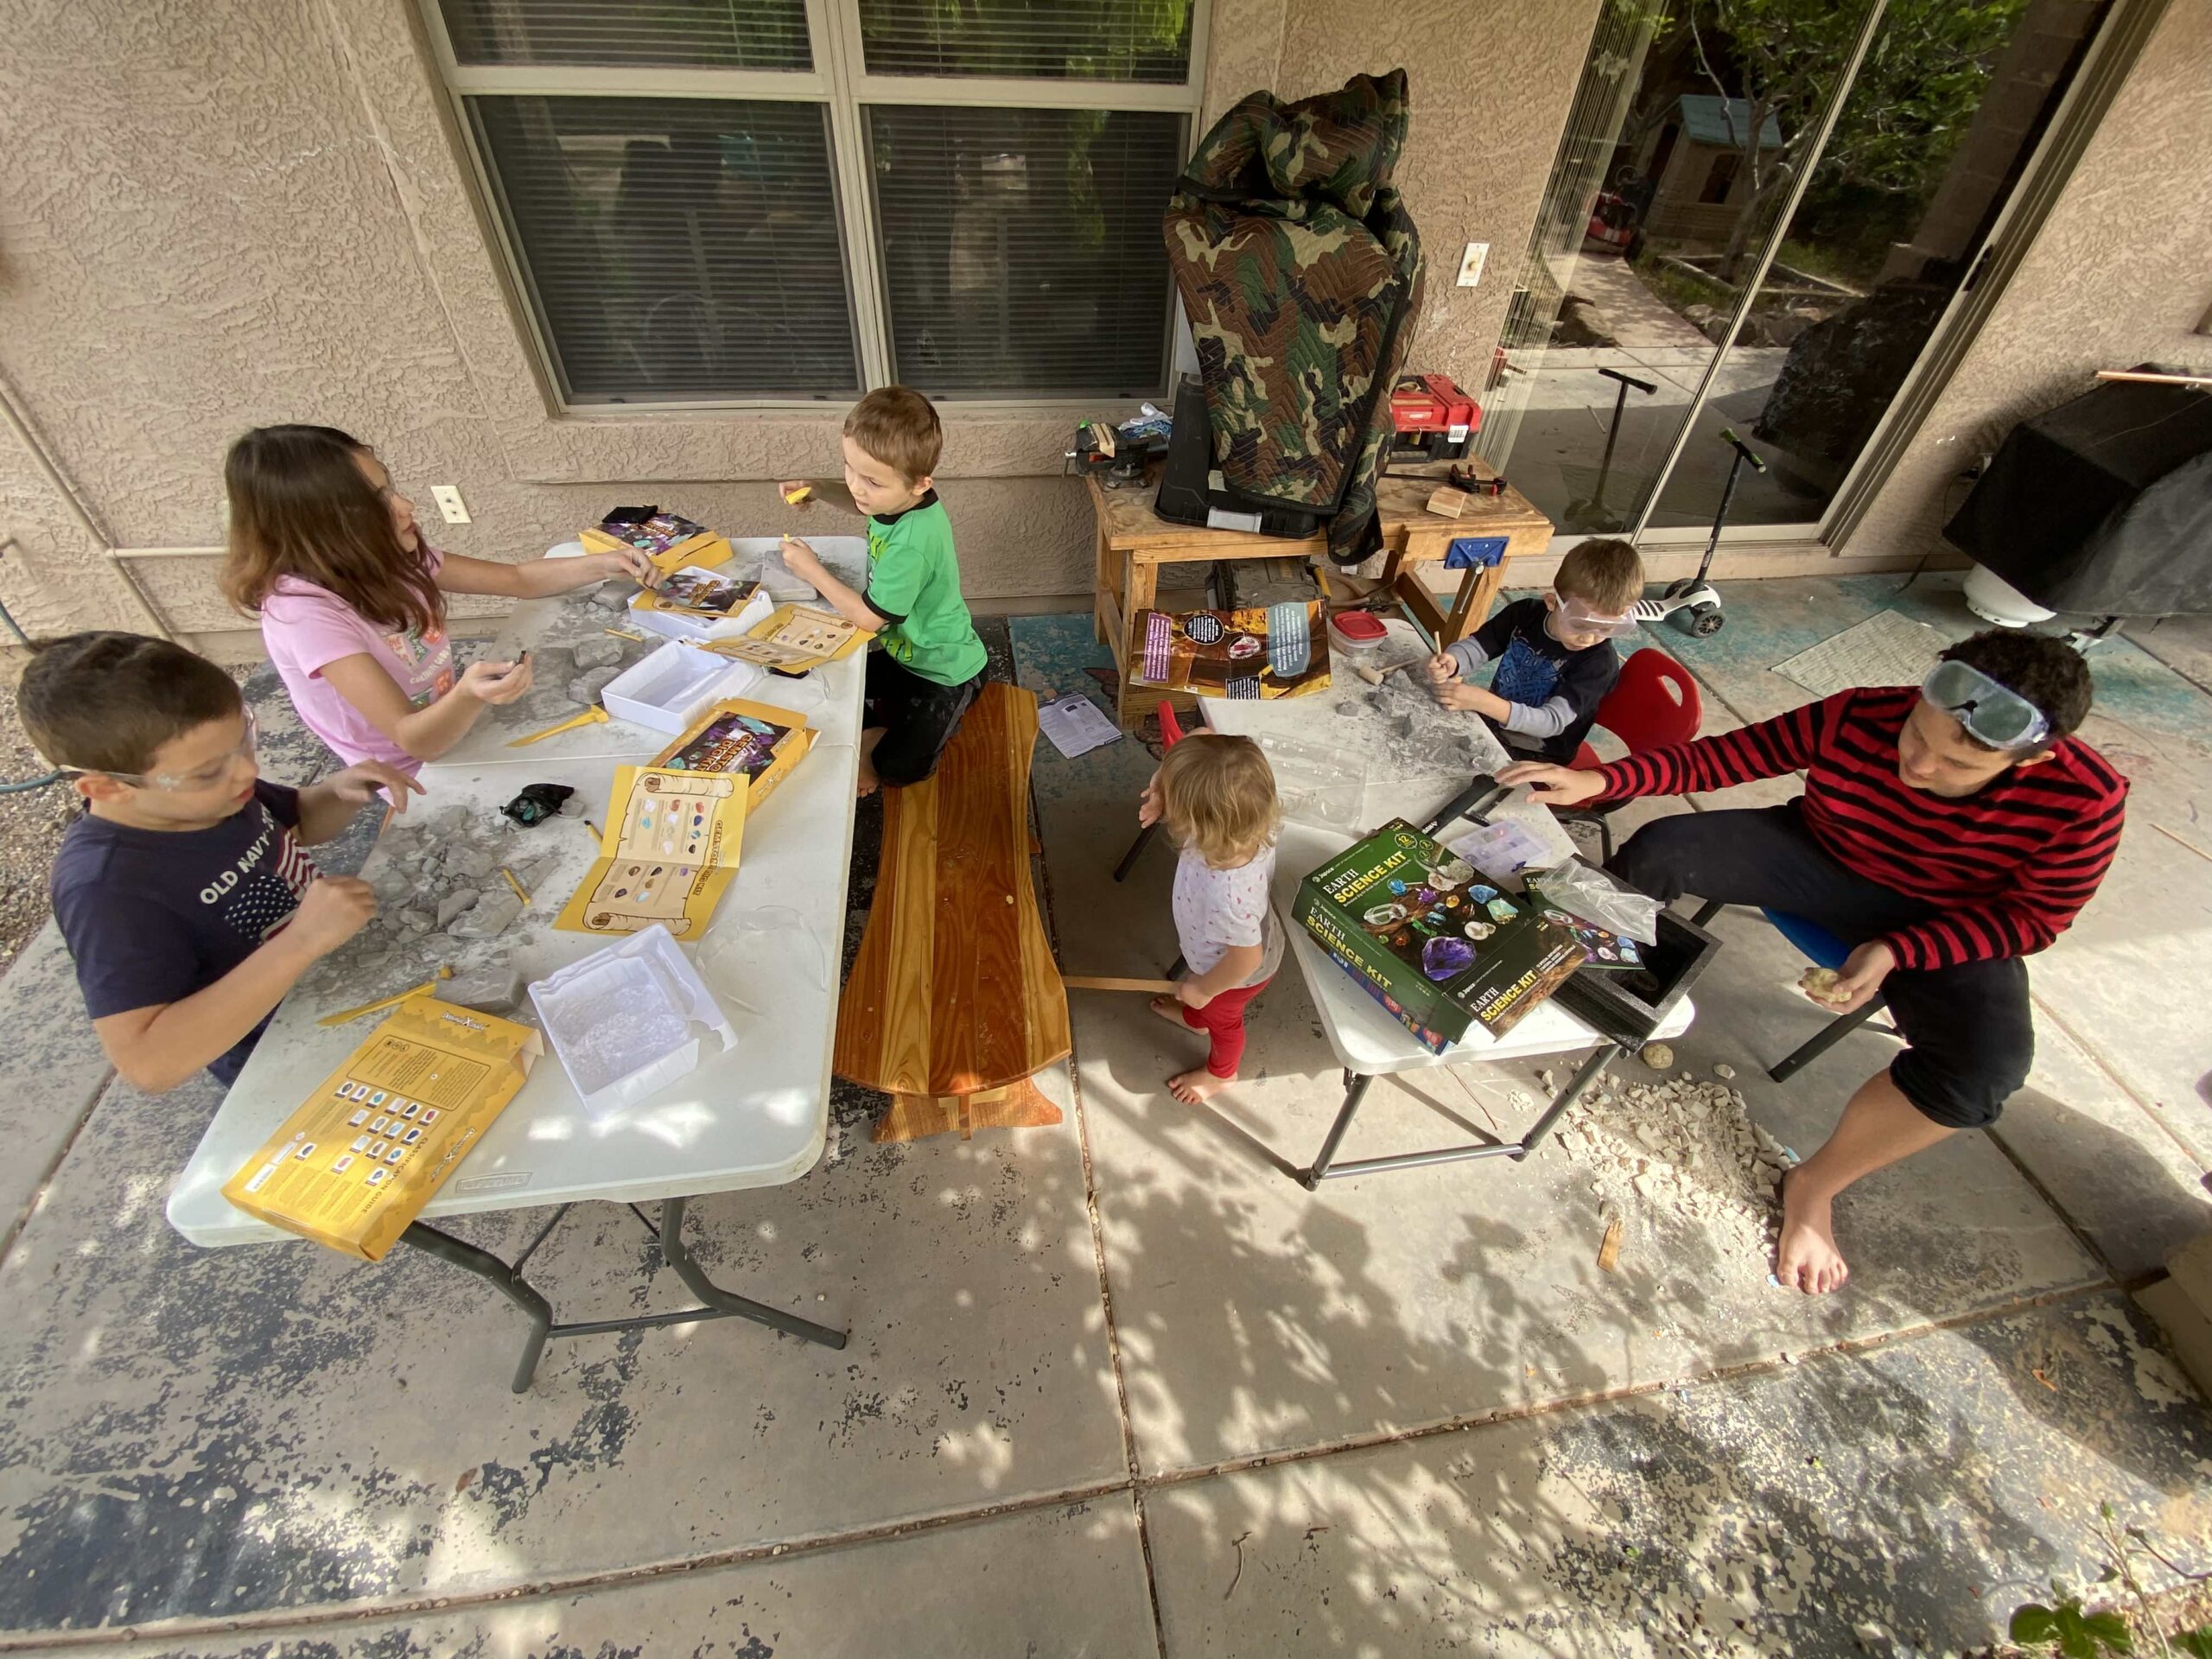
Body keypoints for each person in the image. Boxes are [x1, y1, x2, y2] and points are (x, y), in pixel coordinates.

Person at [1500, 629, 2127, 1295]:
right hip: (1820, 854)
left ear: (2029, 763)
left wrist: (1899, 950)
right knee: (1659, 846)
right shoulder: (1864, 712)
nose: (1917, 765)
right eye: (1916, 734)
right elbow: (1733, 756)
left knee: (1984, 1072)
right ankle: (1581, 981)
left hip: (1942, 917)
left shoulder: (2086, 799)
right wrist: (1603, 778)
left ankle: (1815, 1185)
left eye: (1956, 766)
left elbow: (2034, 919)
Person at [18, 632, 423, 1094]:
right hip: (287, 1058)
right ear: (107, 788)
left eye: (244, 740)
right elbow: (150, 1064)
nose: (246, 771)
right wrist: (302, 940)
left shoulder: (213, 795)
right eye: (209, 770)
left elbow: (298, 825)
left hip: (338, 979)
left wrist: (340, 793)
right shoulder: (107, 889)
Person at [220, 424, 661, 773]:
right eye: (376, 502)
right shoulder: (305, 616)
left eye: (389, 488)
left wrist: (607, 563)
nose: (406, 504)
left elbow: (517, 579)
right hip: (410, 766)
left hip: (451, 718)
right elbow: (414, 740)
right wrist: (470, 695)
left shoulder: (389, 554)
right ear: (320, 528)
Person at [776, 387, 988, 796]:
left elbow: (869, 619)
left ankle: (877, 742)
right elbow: (862, 503)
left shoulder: (912, 544)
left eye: (870, 480)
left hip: (945, 672)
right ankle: (874, 732)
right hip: (905, 654)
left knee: (898, 769)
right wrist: (819, 487)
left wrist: (813, 570)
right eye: (848, 467)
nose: (856, 486)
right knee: (822, 682)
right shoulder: (892, 501)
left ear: (920, 484)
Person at [1136, 734, 1285, 1105]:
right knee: (1199, 998)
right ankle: (1194, 1018)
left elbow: (1245, 958)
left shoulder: (1227, 895)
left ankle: (1221, 1074)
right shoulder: (1247, 819)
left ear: (1195, 821)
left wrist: (1204, 990)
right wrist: (1161, 784)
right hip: (1218, 949)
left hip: (1235, 974)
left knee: (1223, 1019)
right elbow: (1203, 739)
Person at [1424, 537, 1645, 763]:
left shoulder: (1599, 663)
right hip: (1496, 720)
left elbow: (1551, 722)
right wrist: (1454, 659)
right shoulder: (1525, 614)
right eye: (1579, 625)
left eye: (1606, 628)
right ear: (1552, 602)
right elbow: (1482, 644)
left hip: (1541, 753)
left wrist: (1484, 702)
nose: (1589, 638)